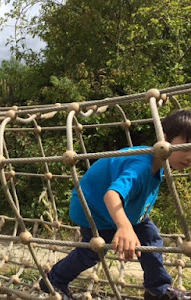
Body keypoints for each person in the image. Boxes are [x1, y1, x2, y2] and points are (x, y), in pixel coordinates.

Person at [40, 109, 191, 300]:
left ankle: (157, 289)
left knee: (151, 239)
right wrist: (125, 227)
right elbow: (111, 195)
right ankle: (53, 280)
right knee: (92, 251)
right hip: (94, 210)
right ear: (165, 139)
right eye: (185, 148)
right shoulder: (142, 165)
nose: (189, 157)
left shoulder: (157, 162)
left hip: (125, 212)